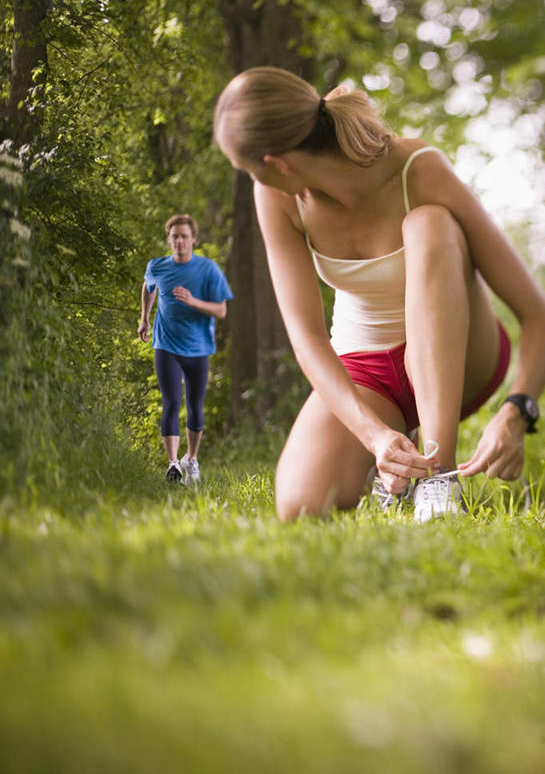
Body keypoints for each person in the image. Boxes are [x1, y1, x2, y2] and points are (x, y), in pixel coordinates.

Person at [213, 66, 545, 522]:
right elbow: (307, 337)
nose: (255, 180)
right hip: (369, 368)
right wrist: (374, 436)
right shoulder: (276, 197)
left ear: (277, 163)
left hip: (464, 357)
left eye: (249, 170)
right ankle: (395, 467)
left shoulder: (417, 168)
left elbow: (536, 313)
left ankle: (437, 479)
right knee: (301, 504)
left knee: (428, 223)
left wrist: (517, 409)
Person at [138, 213, 233, 484]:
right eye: (174, 236)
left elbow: (221, 309)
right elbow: (148, 285)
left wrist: (193, 302)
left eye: (184, 236)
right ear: (169, 239)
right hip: (166, 345)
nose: (179, 241)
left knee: (194, 406)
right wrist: (145, 317)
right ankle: (172, 465)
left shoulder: (208, 270)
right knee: (170, 402)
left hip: (198, 347)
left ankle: (190, 460)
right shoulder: (157, 266)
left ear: (193, 239)